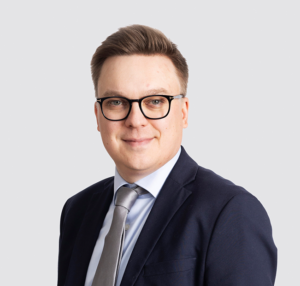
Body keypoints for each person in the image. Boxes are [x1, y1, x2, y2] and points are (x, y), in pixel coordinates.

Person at [57, 25, 277, 286]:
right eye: (116, 102)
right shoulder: (77, 210)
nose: (135, 120)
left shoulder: (231, 213)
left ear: (183, 112)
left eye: (155, 101)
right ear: (98, 115)